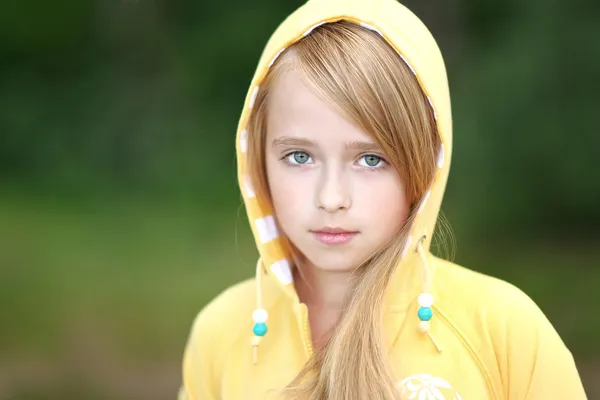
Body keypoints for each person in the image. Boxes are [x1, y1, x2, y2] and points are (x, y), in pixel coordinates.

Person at [178, 0, 587, 398]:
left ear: (423, 165)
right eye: (299, 157)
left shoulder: (503, 330)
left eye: (371, 159)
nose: (332, 198)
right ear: (257, 161)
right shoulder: (220, 335)